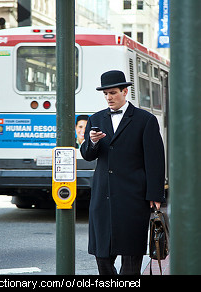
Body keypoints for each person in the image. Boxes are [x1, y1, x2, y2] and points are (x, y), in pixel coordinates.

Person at [80, 70, 165, 275]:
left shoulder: (145, 120)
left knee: (131, 258)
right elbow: (87, 155)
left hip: (133, 198)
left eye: (113, 93)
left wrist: (155, 195)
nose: (109, 97)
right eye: (105, 94)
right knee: (102, 255)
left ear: (125, 91)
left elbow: (155, 160)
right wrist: (92, 142)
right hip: (103, 197)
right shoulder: (95, 119)